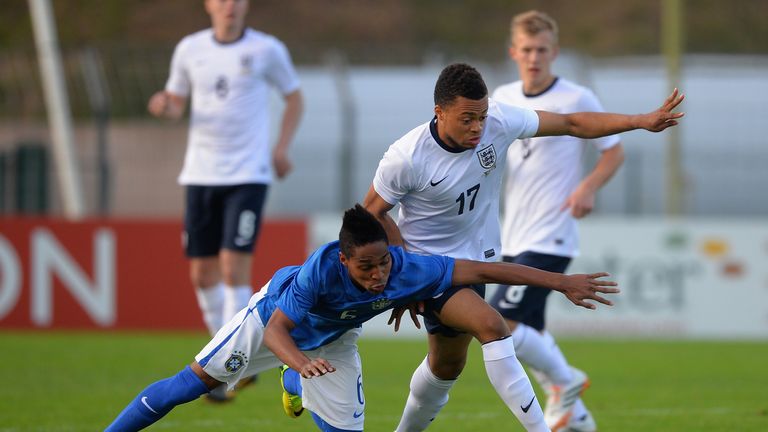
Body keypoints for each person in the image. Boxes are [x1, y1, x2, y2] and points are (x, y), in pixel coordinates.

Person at [361, 63, 683, 432]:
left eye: (481, 117)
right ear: (439, 112)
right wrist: (403, 267)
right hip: (427, 267)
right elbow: (371, 213)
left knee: (446, 365)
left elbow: (572, 124)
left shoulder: (499, 120)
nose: (477, 128)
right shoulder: (406, 157)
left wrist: (639, 121)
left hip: (473, 261)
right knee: (494, 326)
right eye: (467, 119)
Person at [105, 204, 619, 432]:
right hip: (270, 325)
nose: (378, 276)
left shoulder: (406, 268)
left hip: (331, 344)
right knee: (189, 385)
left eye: (384, 264)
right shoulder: (317, 272)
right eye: (366, 267)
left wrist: (562, 282)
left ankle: (297, 379)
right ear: (344, 259)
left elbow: (484, 267)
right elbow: (281, 329)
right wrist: (301, 364)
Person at [146, 0, 303, 401]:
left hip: (248, 174)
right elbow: (177, 101)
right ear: (209, 5)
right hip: (200, 174)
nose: (229, 5)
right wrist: (166, 105)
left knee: (234, 265)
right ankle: (224, 353)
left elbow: (294, 97)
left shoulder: (267, 49)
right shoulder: (190, 49)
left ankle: (235, 362)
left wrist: (281, 148)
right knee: (202, 274)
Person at [487, 10, 624, 432]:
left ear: (555, 52)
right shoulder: (502, 96)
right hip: (511, 235)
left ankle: (566, 382)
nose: (534, 57)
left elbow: (613, 150)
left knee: (500, 323)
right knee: (528, 331)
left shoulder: (577, 98)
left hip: (552, 235)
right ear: (514, 52)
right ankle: (578, 419)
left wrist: (588, 187)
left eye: (542, 50)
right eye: (526, 50)